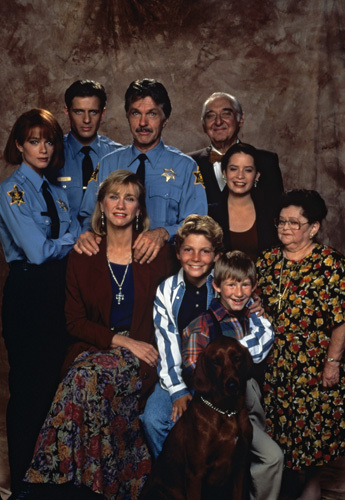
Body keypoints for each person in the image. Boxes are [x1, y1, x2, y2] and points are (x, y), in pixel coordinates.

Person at [21, 170, 174, 500]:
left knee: (81, 382)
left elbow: (177, 308)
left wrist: (137, 345)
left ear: (139, 209)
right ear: (102, 206)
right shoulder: (83, 254)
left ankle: (43, 485)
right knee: (86, 379)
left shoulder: (157, 255)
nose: (121, 204)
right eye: (114, 197)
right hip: (92, 351)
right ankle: (92, 488)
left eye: (130, 198)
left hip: (142, 357)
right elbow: (74, 322)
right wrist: (120, 340)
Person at [0, 109, 80, 495]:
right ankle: (21, 486)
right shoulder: (11, 191)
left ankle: (47, 483)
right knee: (28, 393)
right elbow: (36, 251)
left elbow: (79, 239)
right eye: (34, 140)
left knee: (54, 389)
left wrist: (67, 244)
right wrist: (70, 243)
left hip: (58, 295)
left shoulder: (59, 193)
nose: (43, 148)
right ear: (19, 144)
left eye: (49, 140)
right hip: (28, 295)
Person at [256, 189, 345, 500]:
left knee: (309, 454)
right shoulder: (267, 260)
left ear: (314, 228)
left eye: (294, 223)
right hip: (274, 370)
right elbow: (258, 306)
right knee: (276, 448)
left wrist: (332, 363)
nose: (285, 228)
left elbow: (342, 319)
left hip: (314, 370)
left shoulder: (330, 264)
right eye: (281, 222)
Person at [183, 251, 284, 500]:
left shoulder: (253, 317)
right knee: (263, 458)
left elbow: (260, 353)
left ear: (253, 287)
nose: (238, 293)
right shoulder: (203, 324)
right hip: (217, 413)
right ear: (216, 286)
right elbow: (193, 373)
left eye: (245, 285)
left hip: (246, 409)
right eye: (231, 285)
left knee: (264, 458)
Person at [77, 78, 207, 264]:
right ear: (128, 117)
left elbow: (198, 225)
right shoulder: (108, 164)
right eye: (136, 113)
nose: (143, 122)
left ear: (165, 119)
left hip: (166, 266)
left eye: (152, 114)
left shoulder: (185, 167)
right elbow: (86, 216)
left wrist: (164, 233)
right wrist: (87, 235)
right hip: (113, 265)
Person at [140, 214, 224, 458]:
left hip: (216, 378)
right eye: (188, 250)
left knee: (204, 428)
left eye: (205, 251)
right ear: (178, 253)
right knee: (154, 419)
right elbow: (166, 343)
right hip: (178, 375)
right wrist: (177, 391)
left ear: (216, 255)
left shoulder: (226, 284)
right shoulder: (167, 289)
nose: (195, 258)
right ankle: (172, 481)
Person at [189, 92, 283, 210]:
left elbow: (276, 212)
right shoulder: (188, 163)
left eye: (226, 114)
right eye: (211, 116)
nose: (218, 122)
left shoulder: (266, 161)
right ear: (203, 124)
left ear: (241, 120)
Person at [57, 79, 121, 220]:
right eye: (79, 112)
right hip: (64, 240)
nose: (86, 120)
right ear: (67, 112)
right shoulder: (51, 153)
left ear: (102, 113)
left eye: (93, 112)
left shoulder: (118, 156)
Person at [209, 142, 279, 260]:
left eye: (248, 170)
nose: (240, 176)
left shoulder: (272, 212)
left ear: (257, 175)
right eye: (233, 169)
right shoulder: (209, 213)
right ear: (224, 173)